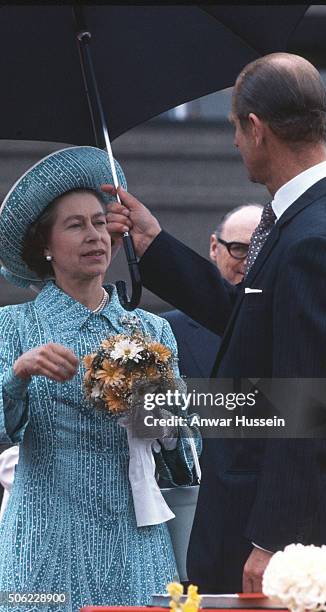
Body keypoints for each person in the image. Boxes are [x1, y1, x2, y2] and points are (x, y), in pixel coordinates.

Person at [105, 52, 326, 594]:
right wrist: (155, 248)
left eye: (234, 125)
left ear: (256, 129)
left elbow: (309, 405)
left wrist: (270, 543)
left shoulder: (314, 236)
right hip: (274, 525)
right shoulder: (317, 216)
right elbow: (252, 322)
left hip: (272, 542)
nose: (233, 141)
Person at [0, 146, 200, 610]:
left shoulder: (151, 330)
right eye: (75, 225)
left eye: (99, 222)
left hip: (137, 549)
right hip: (44, 552)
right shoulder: (14, 327)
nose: (95, 236)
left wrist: (167, 425)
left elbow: (188, 460)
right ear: (44, 245)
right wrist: (18, 375)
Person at [163, 204, 262, 378]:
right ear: (215, 247)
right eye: (239, 248)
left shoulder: (293, 327)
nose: (250, 262)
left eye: (261, 251)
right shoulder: (166, 330)